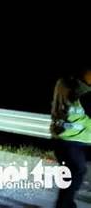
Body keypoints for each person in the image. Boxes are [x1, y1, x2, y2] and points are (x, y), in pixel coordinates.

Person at [51, 65, 91, 208]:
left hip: (64, 139)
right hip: (74, 141)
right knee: (76, 171)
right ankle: (64, 204)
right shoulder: (83, 91)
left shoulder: (63, 83)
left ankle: (65, 203)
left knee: (73, 173)